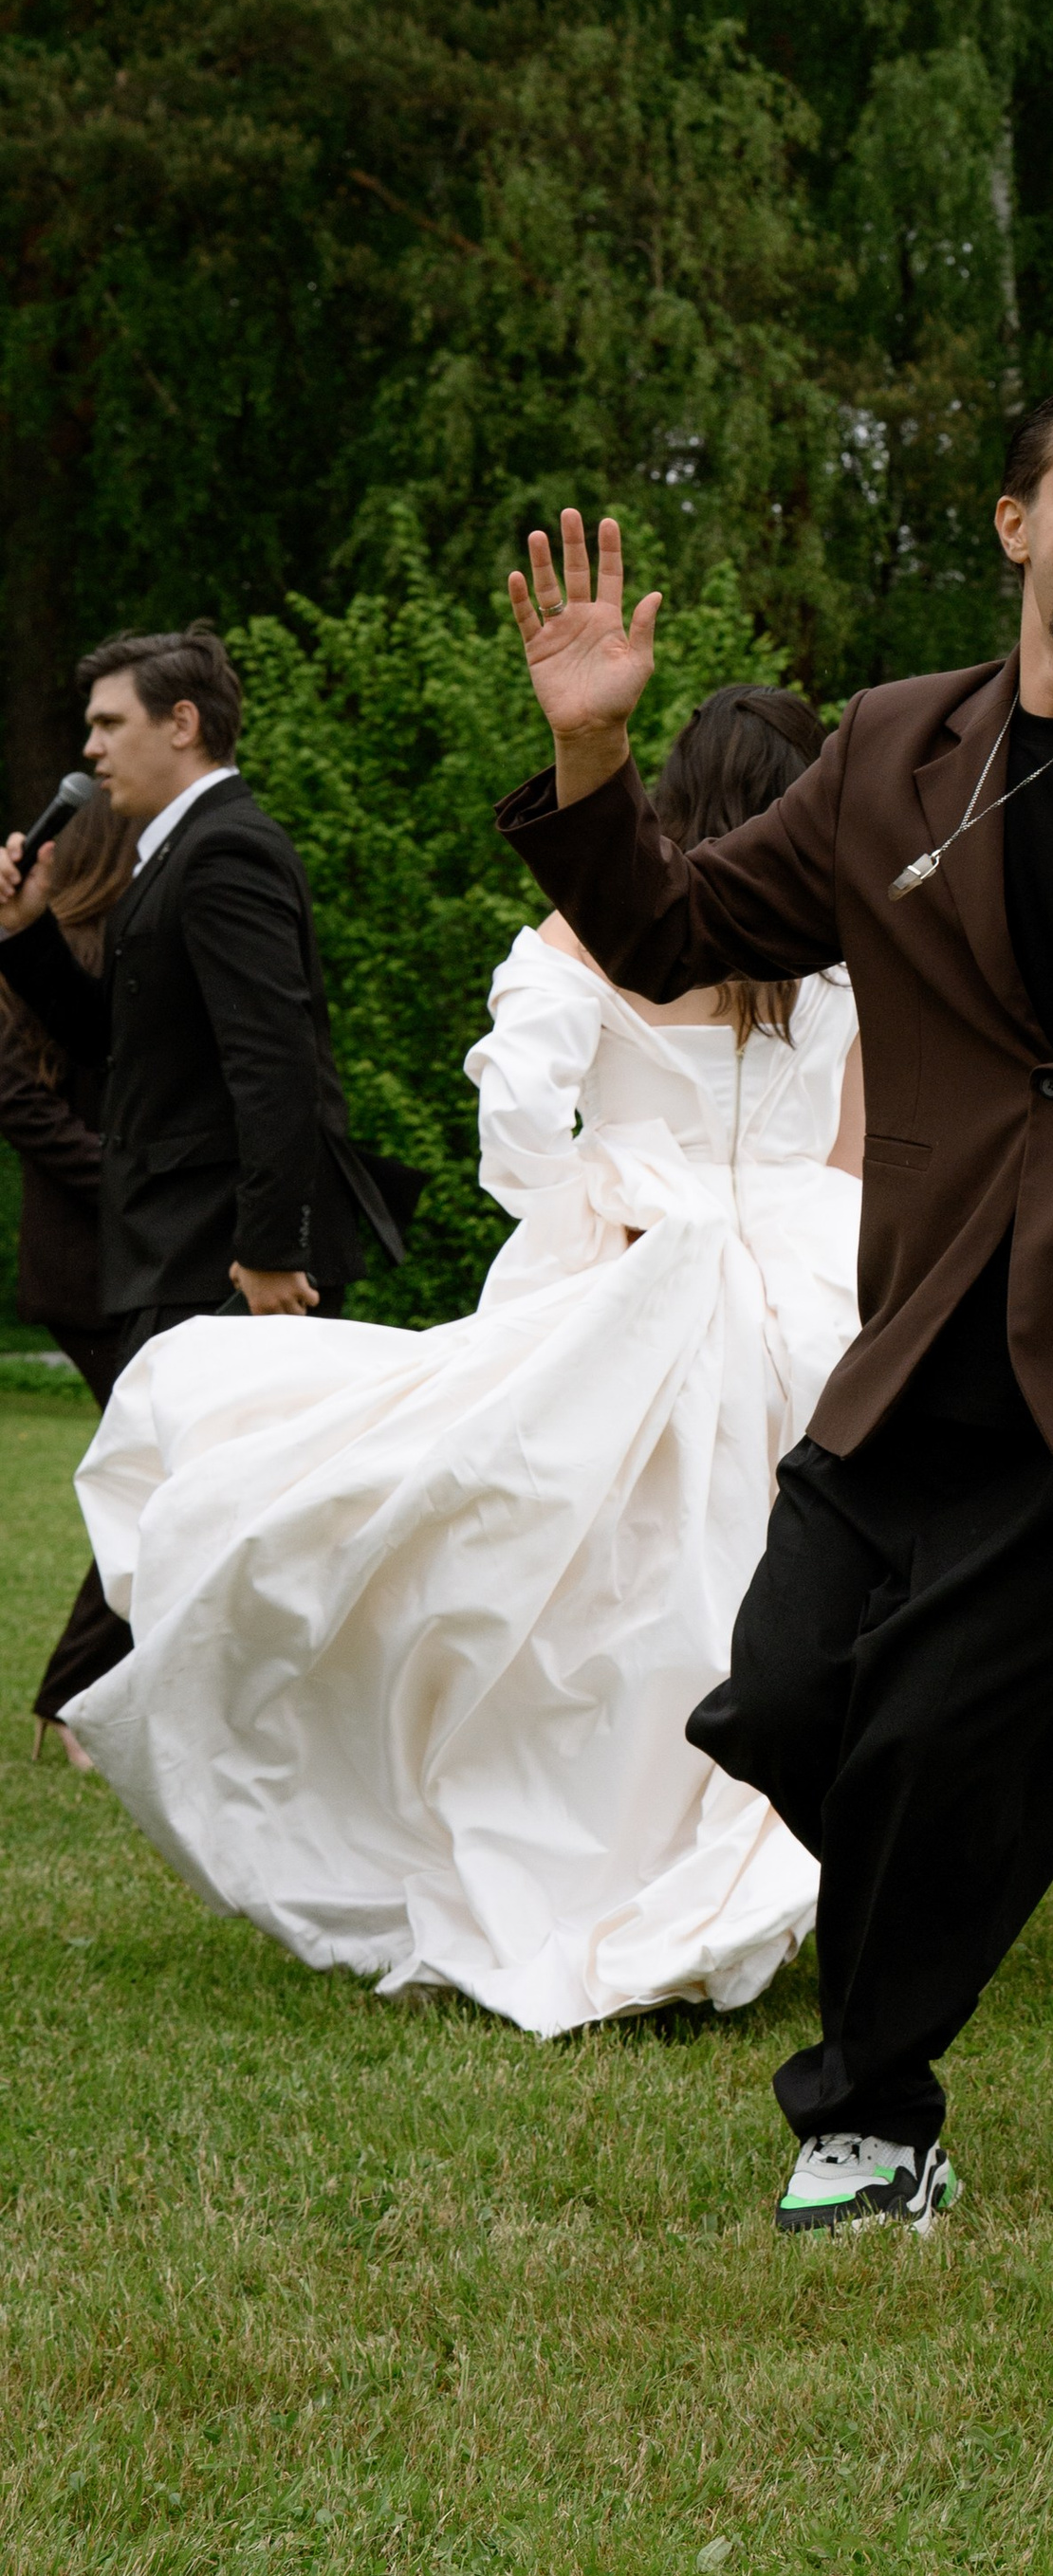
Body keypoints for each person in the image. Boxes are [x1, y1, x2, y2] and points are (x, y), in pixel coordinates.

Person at [498, 379, 1053, 2238]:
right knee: (789, 1701)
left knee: (939, 1739)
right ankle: (948, 1887)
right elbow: (669, 937)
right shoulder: (887, 753)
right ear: (1013, 526)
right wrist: (587, 759)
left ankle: (868, 2119)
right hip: (912, 1349)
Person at [66, 689, 868, 2030]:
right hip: (814, 1280)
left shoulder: (605, 930)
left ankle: (594, 1838)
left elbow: (512, 1123)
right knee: (759, 1576)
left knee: (591, 1582)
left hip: (640, 1273)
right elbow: (857, 1151)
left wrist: (600, 1186)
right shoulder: (846, 951)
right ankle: (742, 1860)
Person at [0, 626, 392, 1727]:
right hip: (178, 1239)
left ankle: (166, 1715)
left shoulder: (226, 850)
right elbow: (127, 1051)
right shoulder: (170, 854)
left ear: (183, 723)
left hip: (219, 1247)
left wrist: (272, 1251)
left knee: (207, 1505)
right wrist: (24, 937)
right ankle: (149, 1715)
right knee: (180, 1501)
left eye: (109, 723)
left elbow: (275, 1067)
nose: (91, 748)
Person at [0, 791, 137, 1746]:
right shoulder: (48, 953)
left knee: (163, 1466)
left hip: (131, 1249)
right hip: (84, 1257)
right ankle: (71, 1697)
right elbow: (18, 1097)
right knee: (160, 1471)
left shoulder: (125, 943)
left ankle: (85, 1694)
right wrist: (127, 1181)